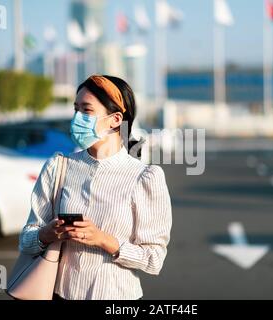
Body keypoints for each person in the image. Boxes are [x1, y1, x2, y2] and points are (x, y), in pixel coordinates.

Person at [18, 74, 172, 300]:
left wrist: (103, 239)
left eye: (86, 111)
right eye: (75, 109)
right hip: (59, 294)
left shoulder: (145, 177)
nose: (77, 118)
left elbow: (154, 258)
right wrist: (47, 233)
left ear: (115, 119)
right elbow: (26, 240)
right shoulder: (58, 166)